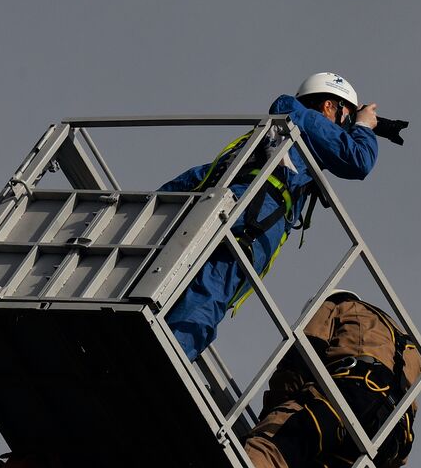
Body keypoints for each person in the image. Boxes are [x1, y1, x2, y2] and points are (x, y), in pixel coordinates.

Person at [161, 72, 380, 360]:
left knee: (191, 286)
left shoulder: (282, 138)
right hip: (251, 218)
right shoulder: (303, 118)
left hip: (238, 209)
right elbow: (358, 160)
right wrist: (363, 126)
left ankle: (170, 348)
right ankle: (168, 355)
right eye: (346, 118)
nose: (346, 128)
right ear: (329, 106)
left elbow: (203, 173)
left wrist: (159, 205)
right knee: (210, 292)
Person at [243, 290, 421, 468]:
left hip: (348, 397)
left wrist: (274, 415)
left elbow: (301, 359)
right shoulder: (411, 352)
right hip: (385, 442)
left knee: (266, 453)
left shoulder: (336, 304)